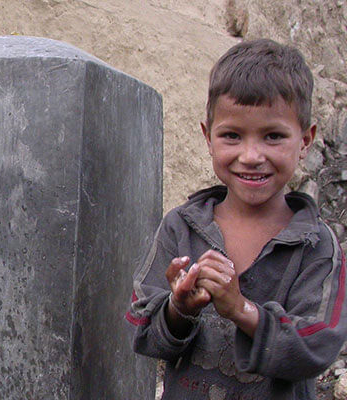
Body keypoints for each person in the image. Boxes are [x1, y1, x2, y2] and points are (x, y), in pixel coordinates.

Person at [126, 39, 347, 399]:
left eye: (273, 136)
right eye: (232, 135)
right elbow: (143, 331)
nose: (251, 155)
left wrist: (241, 310)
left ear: (305, 140)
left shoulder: (317, 245)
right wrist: (179, 309)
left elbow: (317, 346)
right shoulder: (181, 228)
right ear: (208, 137)